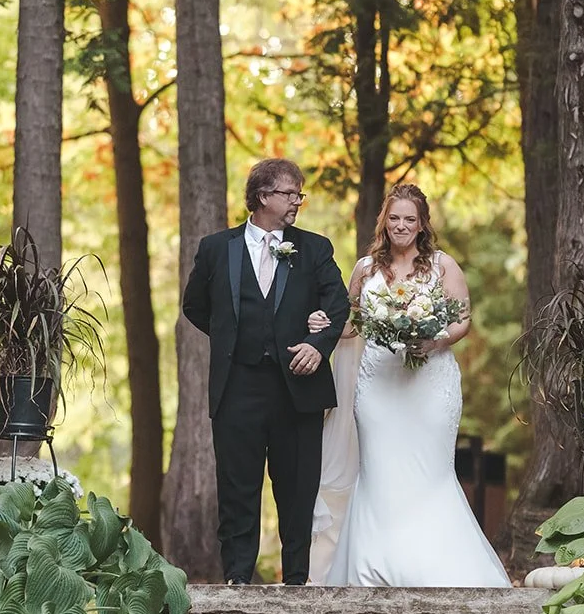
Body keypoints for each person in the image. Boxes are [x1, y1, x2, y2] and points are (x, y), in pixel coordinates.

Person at [309, 182, 510, 587]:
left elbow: (462, 319)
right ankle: (373, 568)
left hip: (428, 383)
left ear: (422, 225)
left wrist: (435, 339)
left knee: (430, 473)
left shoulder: (442, 265)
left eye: (410, 220)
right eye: (395, 218)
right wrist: (324, 324)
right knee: (380, 471)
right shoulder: (365, 269)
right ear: (385, 222)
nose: (401, 226)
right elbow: (352, 324)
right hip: (379, 384)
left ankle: (435, 567)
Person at [182, 158, 349, 585]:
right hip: (237, 388)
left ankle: (296, 581)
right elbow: (195, 306)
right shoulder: (216, 248)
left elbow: (338, 304)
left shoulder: (315, 248)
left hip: (299, 388)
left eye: (299, 194)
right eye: (290, 194)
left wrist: (317, 345)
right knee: (237, 488)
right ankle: (238, 579)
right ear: (262, 197)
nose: (297, 202)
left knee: (298, 491)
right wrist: (231, 339)